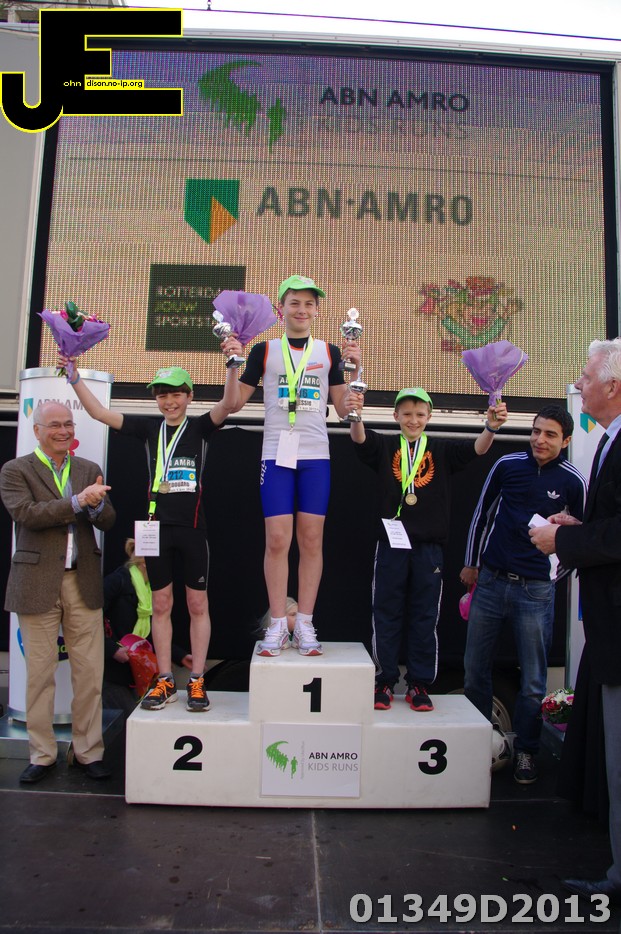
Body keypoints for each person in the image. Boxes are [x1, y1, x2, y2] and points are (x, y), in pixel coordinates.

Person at [62, 355, 240, 713]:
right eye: (162, 395)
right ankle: (165, 679)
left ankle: (197, 679)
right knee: (161, 604)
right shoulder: (148, 429)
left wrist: (233, 366)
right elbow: (99, 413)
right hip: (155, 529)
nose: (169, 401)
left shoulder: (200, 428)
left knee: (197, 605)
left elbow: (229, 403)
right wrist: (75, 377)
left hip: (191, 529)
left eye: (176, 394)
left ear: (189, 396)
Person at [222, 274, 361, 657]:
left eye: (309, 303)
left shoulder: (329, 352)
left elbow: (344, 408)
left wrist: (355, 372)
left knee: (311, 539)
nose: (302, 309)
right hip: (276, 455)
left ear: (317, 310)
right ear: (281, 309)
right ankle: (277, 624)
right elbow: (233, 404)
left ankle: (306, 623)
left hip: (316, 456)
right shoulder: (263, 352)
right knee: (277, 540)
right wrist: (232, 365)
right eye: (294, 302)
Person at [348, 386, 508, 712]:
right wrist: (356, 416)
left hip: (429, 547)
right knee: (386, 612)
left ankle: (419, 683)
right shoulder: (386, 446)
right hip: (391, 545)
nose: (413, 420)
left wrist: (490, 428)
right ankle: (384, 680)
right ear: (395, 415)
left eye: (420, 414)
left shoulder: (440, 449)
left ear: (429, 416)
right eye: (407, 414)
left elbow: (476, 450)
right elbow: (360, 440)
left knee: (425, 615)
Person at [530, 339, 621, 904]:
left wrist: (562, 540)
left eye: (586, 376)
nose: (579, 384)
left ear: (612, 385)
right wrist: (578, 526)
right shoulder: (609, 441)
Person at [462, 404, 586, 784]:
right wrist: (472, 563)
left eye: (550, 434)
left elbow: (582, 538)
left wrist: (552, 577)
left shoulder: (573, 481)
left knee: (533, 682)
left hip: (535, 592)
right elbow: (481, 514)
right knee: (474, 670)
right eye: (536, 431)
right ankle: (477, 746)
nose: (539, 440)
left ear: (566, 440)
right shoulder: (507, 465)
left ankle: (527, 752)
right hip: (490, 582)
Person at [0, 402, 116, 784]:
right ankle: (42, 754)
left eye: (68, 424)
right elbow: (27, 514)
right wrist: (78, 502)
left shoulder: (87, 468)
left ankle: (88, 752)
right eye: (54, 425)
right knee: (39, 675)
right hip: (36, 583)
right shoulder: (15, 470)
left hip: (82, 581)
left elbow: (108, 520)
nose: (63, 431)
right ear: (37, 431)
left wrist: (97, 507)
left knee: (90, 673)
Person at [102, 539, 193, 718]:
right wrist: (112, 649)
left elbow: (151, 634)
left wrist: (180, 656)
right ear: (146, 563)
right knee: (129, 722)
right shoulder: (116, 582)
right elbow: (89, 622)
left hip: (136, 673)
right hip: (112, 674)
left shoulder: (150, 590)